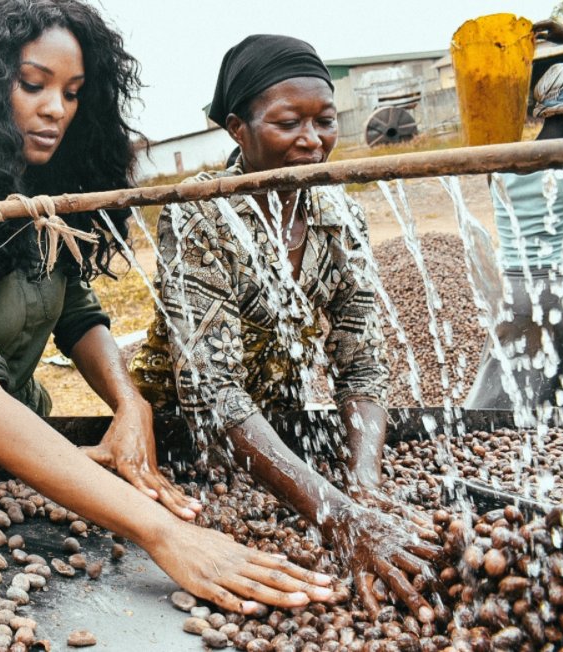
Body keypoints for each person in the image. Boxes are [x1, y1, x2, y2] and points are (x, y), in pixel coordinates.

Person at [0, 0, 336, 612]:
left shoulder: (39, 190)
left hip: (29, 451)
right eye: (33, 84)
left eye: (74, 92)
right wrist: (166, 532)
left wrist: (129, 402)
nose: (56, 109)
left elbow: (76, 311)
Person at [130, 34, 442, 621]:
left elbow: (361, 358)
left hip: (280, 438)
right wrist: (338, 516)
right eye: (287, 123)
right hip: (182, 446)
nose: (311, 140)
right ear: (236, 129)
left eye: (324, 121)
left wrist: (365, 483)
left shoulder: (337, 211)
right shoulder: (198, 213)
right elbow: (210, 393)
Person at [465, 19, 563, 410]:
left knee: (501, 390)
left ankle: (481, 447)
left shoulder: (501, 158)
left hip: (513, 294)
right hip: (561, 291)